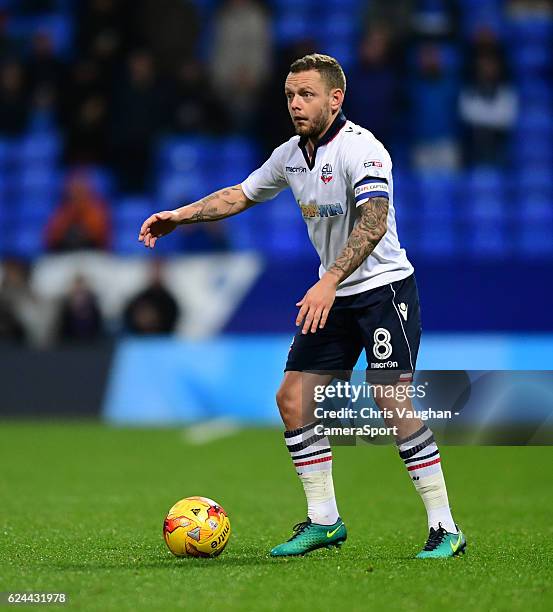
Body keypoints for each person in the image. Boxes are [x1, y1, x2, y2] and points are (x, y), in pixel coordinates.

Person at [138, 53, 466, 559]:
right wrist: (178, 216)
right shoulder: (290, 155)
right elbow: (238, 195)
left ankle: (445, 527)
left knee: (389, 399)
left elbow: (374, 220)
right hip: (332, 294)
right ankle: (324, 521)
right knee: (292, 399)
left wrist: (331, 278)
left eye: (306, 94)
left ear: (336, 99)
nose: (295, 103)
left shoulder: (365, 150)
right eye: (290, 94)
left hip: (382, 290)